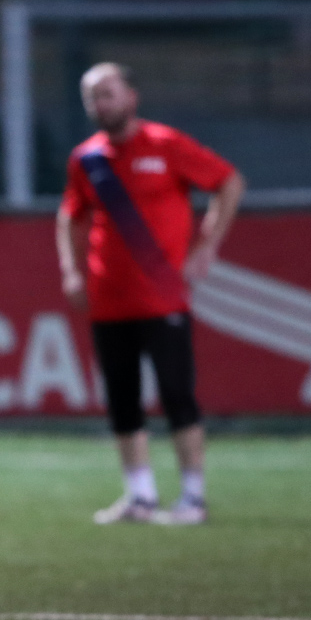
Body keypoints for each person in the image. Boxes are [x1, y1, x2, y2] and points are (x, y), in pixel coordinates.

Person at [56, 62, 245, 526]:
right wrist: (72, 271)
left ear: (131, 97)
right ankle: (140, 496)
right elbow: (70, 217)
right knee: (122, 400)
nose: (100, 104)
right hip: (108, 300)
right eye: (91, 97)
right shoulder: (87, 158)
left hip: (163, 298)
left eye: (107, 94)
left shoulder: (166, 145)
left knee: (178, 395)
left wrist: (207, 245)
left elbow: (228, 182)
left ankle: (193, 498)